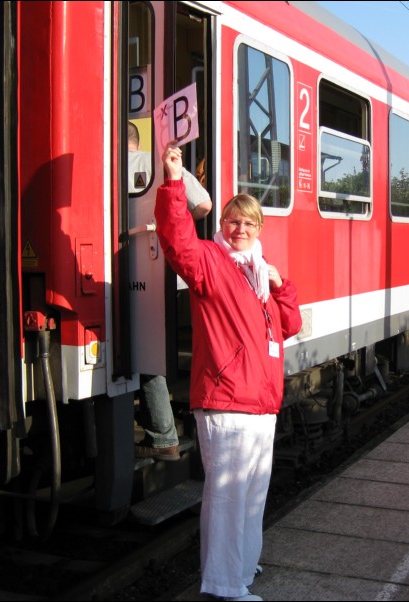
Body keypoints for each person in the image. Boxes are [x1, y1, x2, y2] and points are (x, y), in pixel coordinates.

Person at [155, 145, 302, 601]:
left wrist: (282, 286)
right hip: (225, 400)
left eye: (249, 223)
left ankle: (241, 567)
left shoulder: (260, 273)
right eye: (233, 221)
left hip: (260, 404)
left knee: (253, 495)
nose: (240, 229)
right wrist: (174, 181)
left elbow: (291, 325)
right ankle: (222, 584)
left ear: (259, 229)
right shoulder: (209, 263)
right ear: (221, 226)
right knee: (226, 499)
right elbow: (177, 241)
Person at [128, 122, 212, 461]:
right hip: (165, 267)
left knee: (141, 349)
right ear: (138, 142)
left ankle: (163, 434)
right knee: (153, 348)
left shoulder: (107, 163)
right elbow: (204, 205)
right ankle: (165, 433)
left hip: (120, 269)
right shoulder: (159, 163)